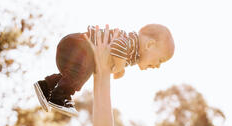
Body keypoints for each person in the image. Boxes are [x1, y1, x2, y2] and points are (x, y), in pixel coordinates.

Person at [34, 23, 174, 117]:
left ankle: (46, 86)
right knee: (82, 71)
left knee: (78, 73)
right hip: (77, 45)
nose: (158, 66)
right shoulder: (132, 42)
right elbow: (118, 45)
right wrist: (119, 67)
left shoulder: (133, 54)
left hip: (74, 52)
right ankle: (59, 97)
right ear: (149, 45)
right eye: (160, 60)